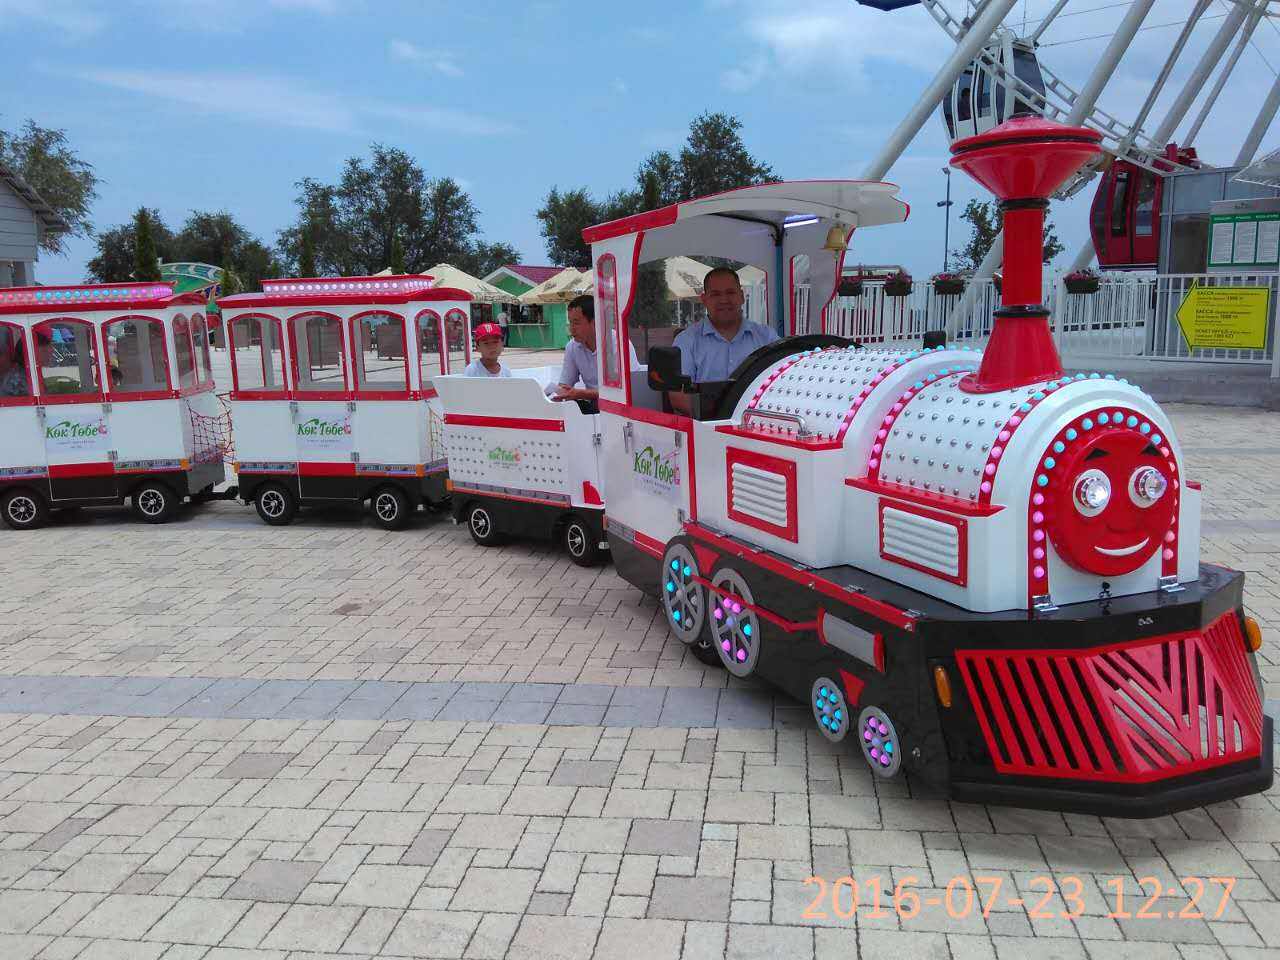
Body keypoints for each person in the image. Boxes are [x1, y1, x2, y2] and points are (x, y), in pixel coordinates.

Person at [669, 267, 778, 414]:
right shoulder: (686, 341)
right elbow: (678, 397)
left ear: (741, 296)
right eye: (715, 294)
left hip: (758, 423)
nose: (724, 300)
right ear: (704, 300)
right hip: (705, 426)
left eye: (730, 292)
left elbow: (781, 384)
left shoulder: (767, 337)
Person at [551, 294, 599, 406]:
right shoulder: (572, 347)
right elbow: (565, 384)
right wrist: (554, 393)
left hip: (619, 408)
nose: (571, 329)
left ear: (594, 322)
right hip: (593, 406)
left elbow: (628, 391)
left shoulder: (618, 344)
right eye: (570, 322)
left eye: (576, 323)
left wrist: (583, 394)